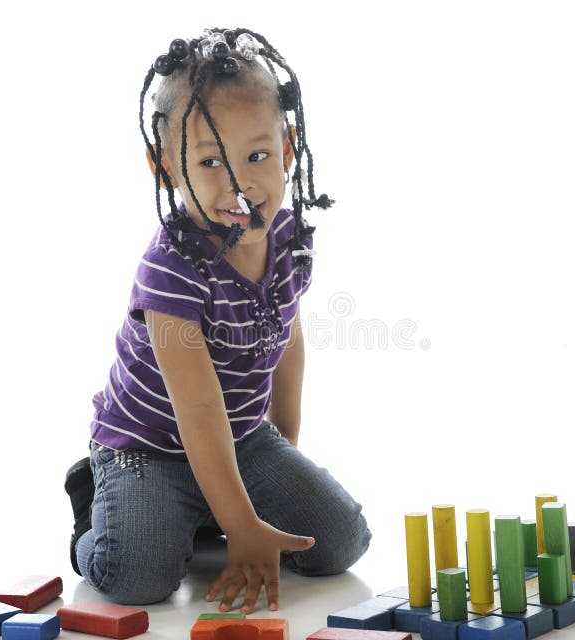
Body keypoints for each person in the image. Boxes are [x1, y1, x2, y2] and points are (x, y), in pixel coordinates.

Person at [64, 27, 371, 614]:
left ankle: (209, 509)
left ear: (287, 150)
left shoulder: (288, 237)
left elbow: (287, 334)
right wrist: (245, 522)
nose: (239, 185)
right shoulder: (172, 270)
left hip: (241, 435)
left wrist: (285, 444)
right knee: (137, 579)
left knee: (340, 541)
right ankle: (98, 504)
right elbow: (198, 411)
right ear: (166, 167)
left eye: (257, 156)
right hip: (148, 445)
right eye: (209, 161)